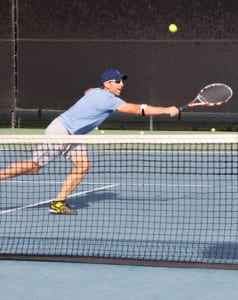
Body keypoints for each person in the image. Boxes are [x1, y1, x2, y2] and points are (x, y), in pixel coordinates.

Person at [0, 68, 179, 215]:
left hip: (74, 134)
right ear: (108, 84)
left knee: (83, 166)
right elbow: (135, 109)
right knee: (35, 166)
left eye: (122, 81)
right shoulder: (107, 98)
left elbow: (89, 91)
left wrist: (92, 92)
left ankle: (58, 203)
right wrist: (165, 110)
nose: (121, 84)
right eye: (117, 81)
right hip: (61, 130)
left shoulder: (98, 92)